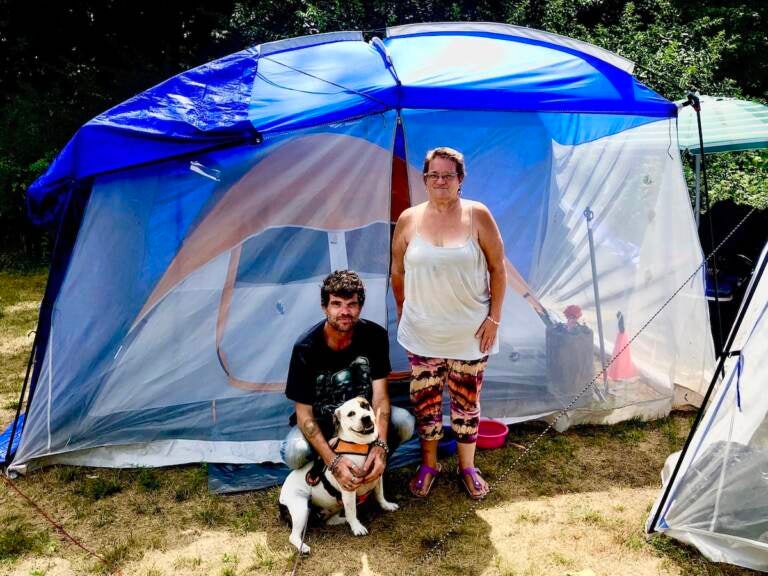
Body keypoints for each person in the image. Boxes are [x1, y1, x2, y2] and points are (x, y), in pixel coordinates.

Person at [391, 146, 542, 500]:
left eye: (448, 175)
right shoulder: (409, 219)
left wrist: (495, 318)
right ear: (425, 179)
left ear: (461, 180)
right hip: (422, 333)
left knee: (466, 405)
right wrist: (402, 310)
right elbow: (397, 270)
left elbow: (498, 269)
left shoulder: (478, 215)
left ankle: (467, 467)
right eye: (433, 175)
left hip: (470, 334)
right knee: (426, 404)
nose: (440, 181)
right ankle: (428, 466)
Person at [281, 270, 414, 493]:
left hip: (362, 421)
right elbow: (304, 414)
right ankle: (326, 467)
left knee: (404, 423)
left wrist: (381, 446)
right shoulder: (306, 348)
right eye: (336, 304)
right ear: (325, 307)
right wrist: (333, 462)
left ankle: (372, 464)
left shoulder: (374, 336)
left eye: (351, 304)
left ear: (360, 307)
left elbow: (380, 396)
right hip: (324, 424)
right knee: (293, 453)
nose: (344, 312)